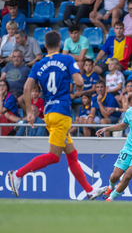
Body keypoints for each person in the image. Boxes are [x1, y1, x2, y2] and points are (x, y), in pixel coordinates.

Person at [7, 30, 107, 199]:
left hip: (50, 113)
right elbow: (80, 81)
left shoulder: (38, 64)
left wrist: (30, 112)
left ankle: (89, 191)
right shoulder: (67, 59)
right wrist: (79, 86)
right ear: (60, 44)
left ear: (45, 45)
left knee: (72, 155)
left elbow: (26, 88)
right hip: (61, 113)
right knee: (54, 156)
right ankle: (17, 174)